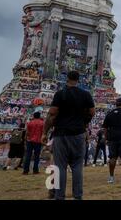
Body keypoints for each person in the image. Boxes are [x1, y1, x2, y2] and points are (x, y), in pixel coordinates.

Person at [42, 70, 95, 200]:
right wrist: (84, 122)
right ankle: (78, 196)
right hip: (78, 133)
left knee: (60, 167)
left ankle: (59, 196)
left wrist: (45, 132)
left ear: (67, 79)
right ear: (78, 79)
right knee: (77, 166)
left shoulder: (60, 94)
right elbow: (92, 112)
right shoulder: (86, 94)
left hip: (61, 133)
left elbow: (52, 114)